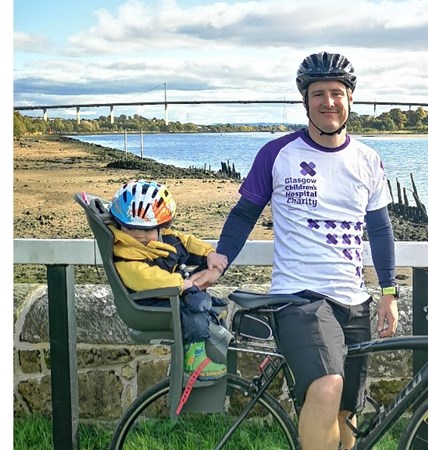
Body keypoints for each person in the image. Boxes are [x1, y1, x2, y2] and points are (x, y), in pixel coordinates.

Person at [190, 51, 399, 450]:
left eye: (336, 93)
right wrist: (220, 261)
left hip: (354, 299)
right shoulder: (277, 154)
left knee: (346, 411)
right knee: (326, 386)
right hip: (300, 298)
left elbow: (380, 228)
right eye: (318, 94)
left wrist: (388, 292)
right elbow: (244, 213)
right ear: (305, 101)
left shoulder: (368, 160)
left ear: (350, 99)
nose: (328, 102)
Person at [107, 179, 230, 381]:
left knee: (205, 304)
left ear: (161, 228)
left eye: (148, 230)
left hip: (168, 292)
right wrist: (182, 285)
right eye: (132, 229)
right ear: (119, 225)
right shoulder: (126, 254)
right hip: (149, 301)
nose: (140, 236)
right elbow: (146, 279)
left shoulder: (163, 238)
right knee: (192, 311)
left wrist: (209, 254)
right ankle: (195, 359)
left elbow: (184, 241)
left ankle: (210, 330)